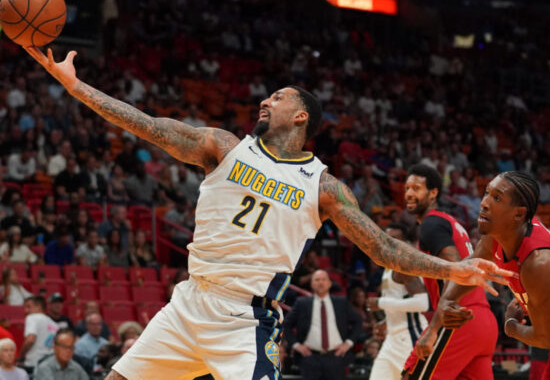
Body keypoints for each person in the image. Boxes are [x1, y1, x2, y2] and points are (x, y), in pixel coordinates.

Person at [24, 46, 510, 380]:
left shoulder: (324, 187)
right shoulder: (223, 147)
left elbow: (383, 248)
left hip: (245, 321)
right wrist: (76, 87)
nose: (265, 99)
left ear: (301, 117)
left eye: (278, 97)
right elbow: (148, 126)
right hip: (188, 303)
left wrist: (452, 267)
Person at [418, 171, 550, 378]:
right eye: (486, 193)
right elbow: (469, 270)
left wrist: (511, 326)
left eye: (496, 198)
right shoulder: (496, 235)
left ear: (519, 213)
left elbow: (548, 337)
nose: (484, 202)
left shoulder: (540, 261)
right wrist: (445, 303)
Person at [401, 164, 498, 380]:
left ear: (433, 192)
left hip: (458, 317)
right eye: (407, 187)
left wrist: (433, 329)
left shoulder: (431, 224)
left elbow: (457, 271)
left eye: (416, 188)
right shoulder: (449, 222)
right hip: (484, 322)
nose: (409, 193)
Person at [366, 223, 429, 380]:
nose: (388, 243)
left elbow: (422, 303)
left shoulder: (404, 266)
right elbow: (399, 300)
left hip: (409, 337)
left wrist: (381, 303)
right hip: (392, 338)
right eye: (386, 238)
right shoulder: (388, 267)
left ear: (404, 243)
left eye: (394, 239)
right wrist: (387, 321)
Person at [282, 269, 362, 380]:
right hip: (310, 358)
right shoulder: (302, 303)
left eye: (324, 279)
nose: (321, 282)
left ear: (329, 283)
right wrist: (296, 345)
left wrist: (348, 344)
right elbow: (286, 324)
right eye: (317, 280)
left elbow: (358, 322)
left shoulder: (341, 302)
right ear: (311, 284)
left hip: (336, 357)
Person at [18, 296, 59, 370]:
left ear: (39, 307)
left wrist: (20, 356)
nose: (26, 310)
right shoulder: (54, 324)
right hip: (51, 364)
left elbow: (30, 340)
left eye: (28, 307)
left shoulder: (32, 317)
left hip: (34, 364)